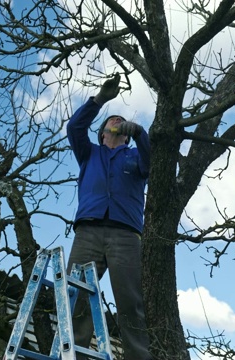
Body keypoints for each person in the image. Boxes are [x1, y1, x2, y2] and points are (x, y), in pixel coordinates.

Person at [66, 73, 151, 359]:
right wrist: (100, 99)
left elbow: (153, 161)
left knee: (130, 302)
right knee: (75, 297)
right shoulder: (89, 153)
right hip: (88, 233)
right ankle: (73, 354)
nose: (116, 121)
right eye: (111, 121)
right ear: (102, 133)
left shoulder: (134, 158)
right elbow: (75, 126)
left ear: (126, 134)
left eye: (121, 122)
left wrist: (140, 132)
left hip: (125, 235)